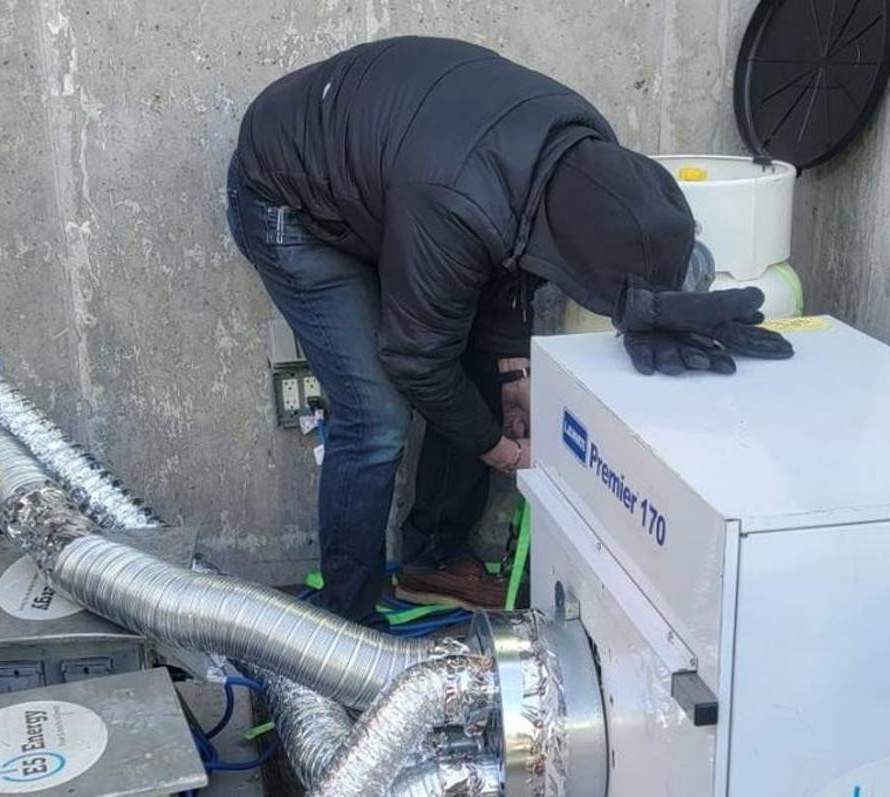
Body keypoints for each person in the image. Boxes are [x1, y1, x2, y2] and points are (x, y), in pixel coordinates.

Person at [226, 36, 792, 625]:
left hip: (399, 174)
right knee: (376, 418)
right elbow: (416, 359)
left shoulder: (583, 150)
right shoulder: (456, 203)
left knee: (476, 369)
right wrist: (502, 452)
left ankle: (434, 559)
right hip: (289, 201)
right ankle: (342, 629)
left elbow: (512, 254)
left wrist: (515, 377)